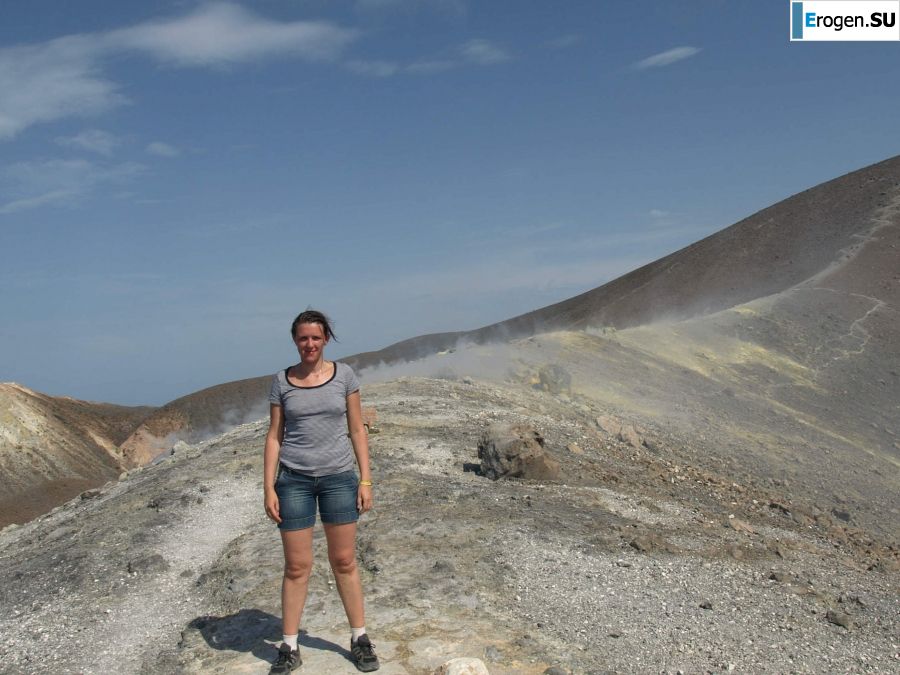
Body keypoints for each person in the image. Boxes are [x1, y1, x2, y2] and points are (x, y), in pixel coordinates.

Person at [263, 310, 379, 673]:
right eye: (303, 338)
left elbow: (357, 429)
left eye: (315, 337)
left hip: (338, 478)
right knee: (297, 566)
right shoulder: (281, 381)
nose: (309, 344)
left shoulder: (344, 376)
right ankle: (289, 645)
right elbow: (274, 436)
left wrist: (365, 479)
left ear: (326, 338)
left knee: (344, 561)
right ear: (295, 341)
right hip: (294, 481)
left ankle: (359, 638)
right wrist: (268, 487)